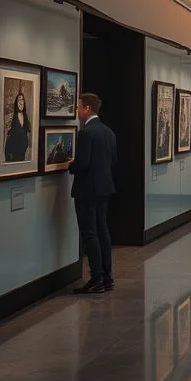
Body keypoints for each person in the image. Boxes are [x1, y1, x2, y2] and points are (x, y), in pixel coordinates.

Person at [69, 93, 117, 294]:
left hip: (87, 190)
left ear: (87, 108)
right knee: (102, 231)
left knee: (90, 233)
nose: (77, 111)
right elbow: (112, 160)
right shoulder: (109, 132)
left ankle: (96, 278)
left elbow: (83, 164)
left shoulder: (87, 133)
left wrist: (70, 165)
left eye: (78, 107)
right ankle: (107, 277)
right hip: (104, 188)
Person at [4, 91, 31, 162]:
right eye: (19, 100)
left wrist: (28, 147)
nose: (20, 102)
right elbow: (8, 135)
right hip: (13, 151)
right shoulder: (12, 116)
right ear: (16, 102)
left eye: (22, 100)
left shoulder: (26, 117)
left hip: (23, 151)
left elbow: (28, 133)